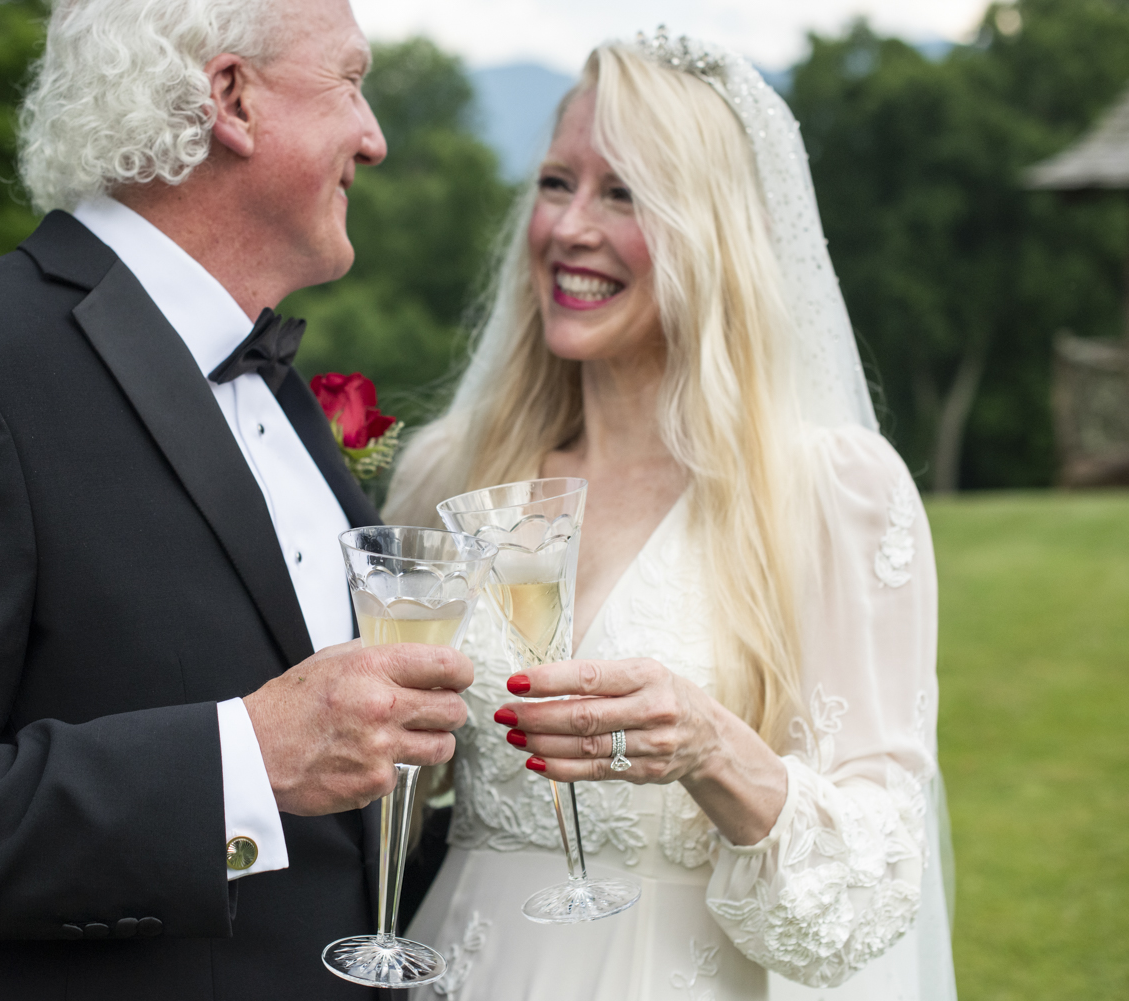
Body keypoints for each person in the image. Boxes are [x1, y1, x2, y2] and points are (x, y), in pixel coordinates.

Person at [0, 1, 475, 998]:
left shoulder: (277, 384)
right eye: (351, 81)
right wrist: (241, 761)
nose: (374, 136)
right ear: (232, 98)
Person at [384, 32, 957, 1001]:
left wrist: (709, 743)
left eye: (626, 193)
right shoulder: (455, 467)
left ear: (712, 230)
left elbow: (880, 878)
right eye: (558, 182)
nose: (570, 228)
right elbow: (396, 782)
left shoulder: (833, 492)